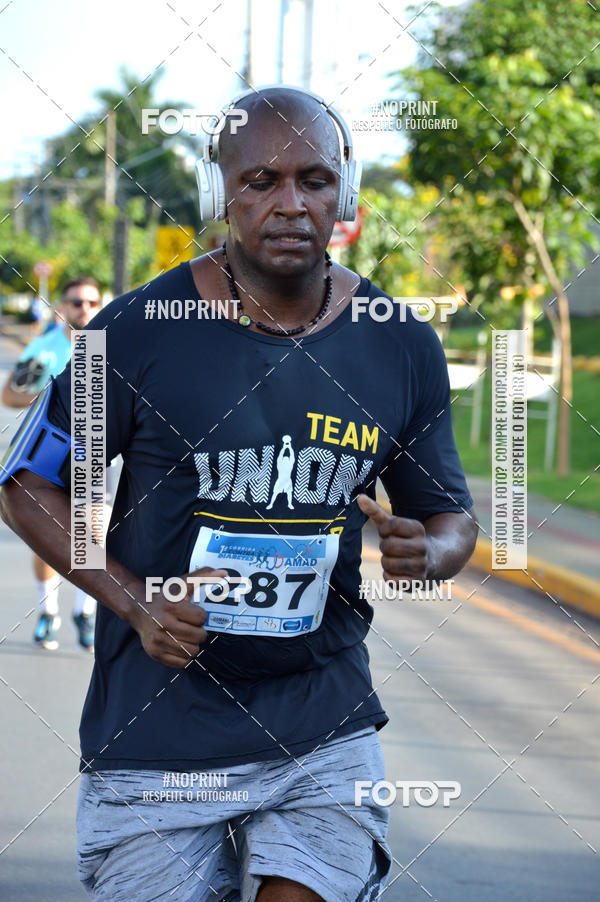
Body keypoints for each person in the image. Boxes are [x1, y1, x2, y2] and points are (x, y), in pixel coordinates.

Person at [0, 87, 478, 901]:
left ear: (346, 194)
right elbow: (28, 487)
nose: (290, 204)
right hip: (159, 728)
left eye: (315, 179)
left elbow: (451, 517)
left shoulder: (402, 341)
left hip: (321, 716)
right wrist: (135, 602)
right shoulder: (134, 331)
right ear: (218, 196)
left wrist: (428, 550)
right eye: (260, 181)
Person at [2, 275, 102, 651]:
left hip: (93, 455)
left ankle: (85, 612)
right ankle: (49, 612)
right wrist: (46, 398)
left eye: (92, 303)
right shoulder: (44, 350)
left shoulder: (108, 347)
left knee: (90, 539)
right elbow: (10, 393)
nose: (85, 309)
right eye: (77, 302)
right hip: (46, 457)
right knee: (46, 540)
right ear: (63, 307)